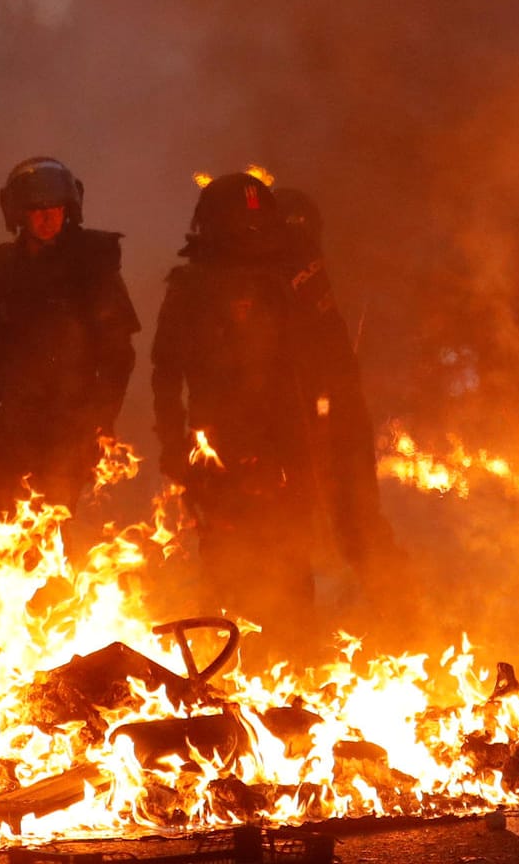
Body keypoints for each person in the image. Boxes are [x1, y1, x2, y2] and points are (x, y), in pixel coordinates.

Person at [151, 172, 371, 655]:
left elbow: (334, 355)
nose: (248, 236)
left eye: (256, 226)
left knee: (290, 559)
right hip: (217, 446)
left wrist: (331, 433)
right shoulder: (190, 285)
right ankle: (225, 666)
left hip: (287, 440)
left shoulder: (294, 273)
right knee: (224, 558)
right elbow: (165, 372)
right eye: (237, 226)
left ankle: (295, 666)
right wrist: (172, 446)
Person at [0, 157, 140, 553]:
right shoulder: (4, 266)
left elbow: (118, 356)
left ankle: (58, 612)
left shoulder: (91, 263)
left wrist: (97, 421)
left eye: (54, 209)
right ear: (20, 215)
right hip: (14, 427)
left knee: (45, 542)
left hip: (68, 427)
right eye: (37, 211)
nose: (47, 219)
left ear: (68, 210)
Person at [276, 187, 393, 594]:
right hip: (317, 416)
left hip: (331, 418)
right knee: (337, 526)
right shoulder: (299, 272)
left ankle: (401, 620)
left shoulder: (300, 273)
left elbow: (330, 353)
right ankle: (399, 617)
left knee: (353, 524)